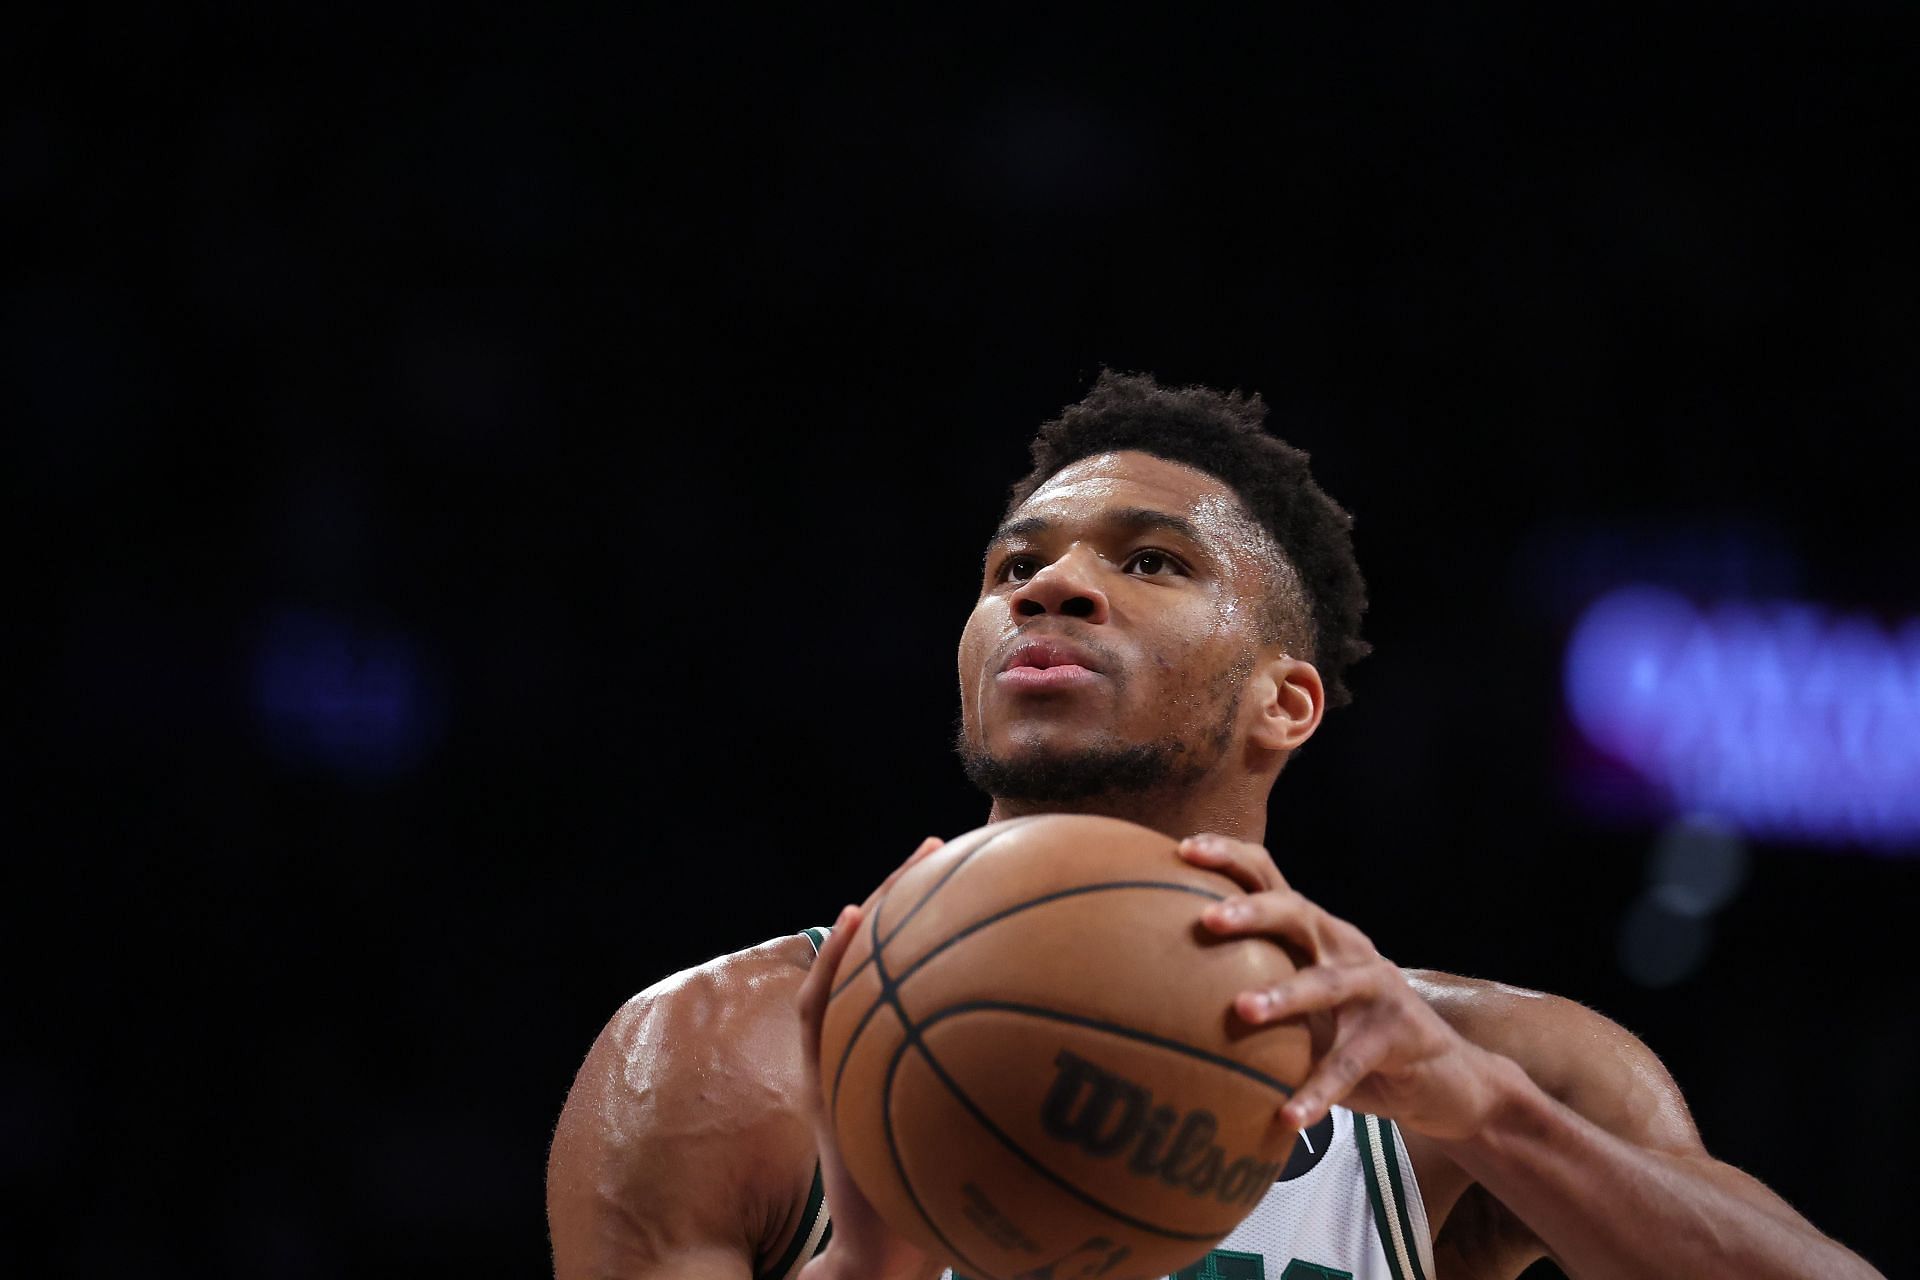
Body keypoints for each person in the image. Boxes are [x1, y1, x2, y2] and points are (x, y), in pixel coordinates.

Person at [546, 372, 1880, 1279]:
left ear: (1284, 701)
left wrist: (1491, 1118)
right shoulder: (728, 1049)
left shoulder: (1491, 1073)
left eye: (1149, 561)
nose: (1055, 585)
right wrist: (877, 1262)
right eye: (1018, 564)